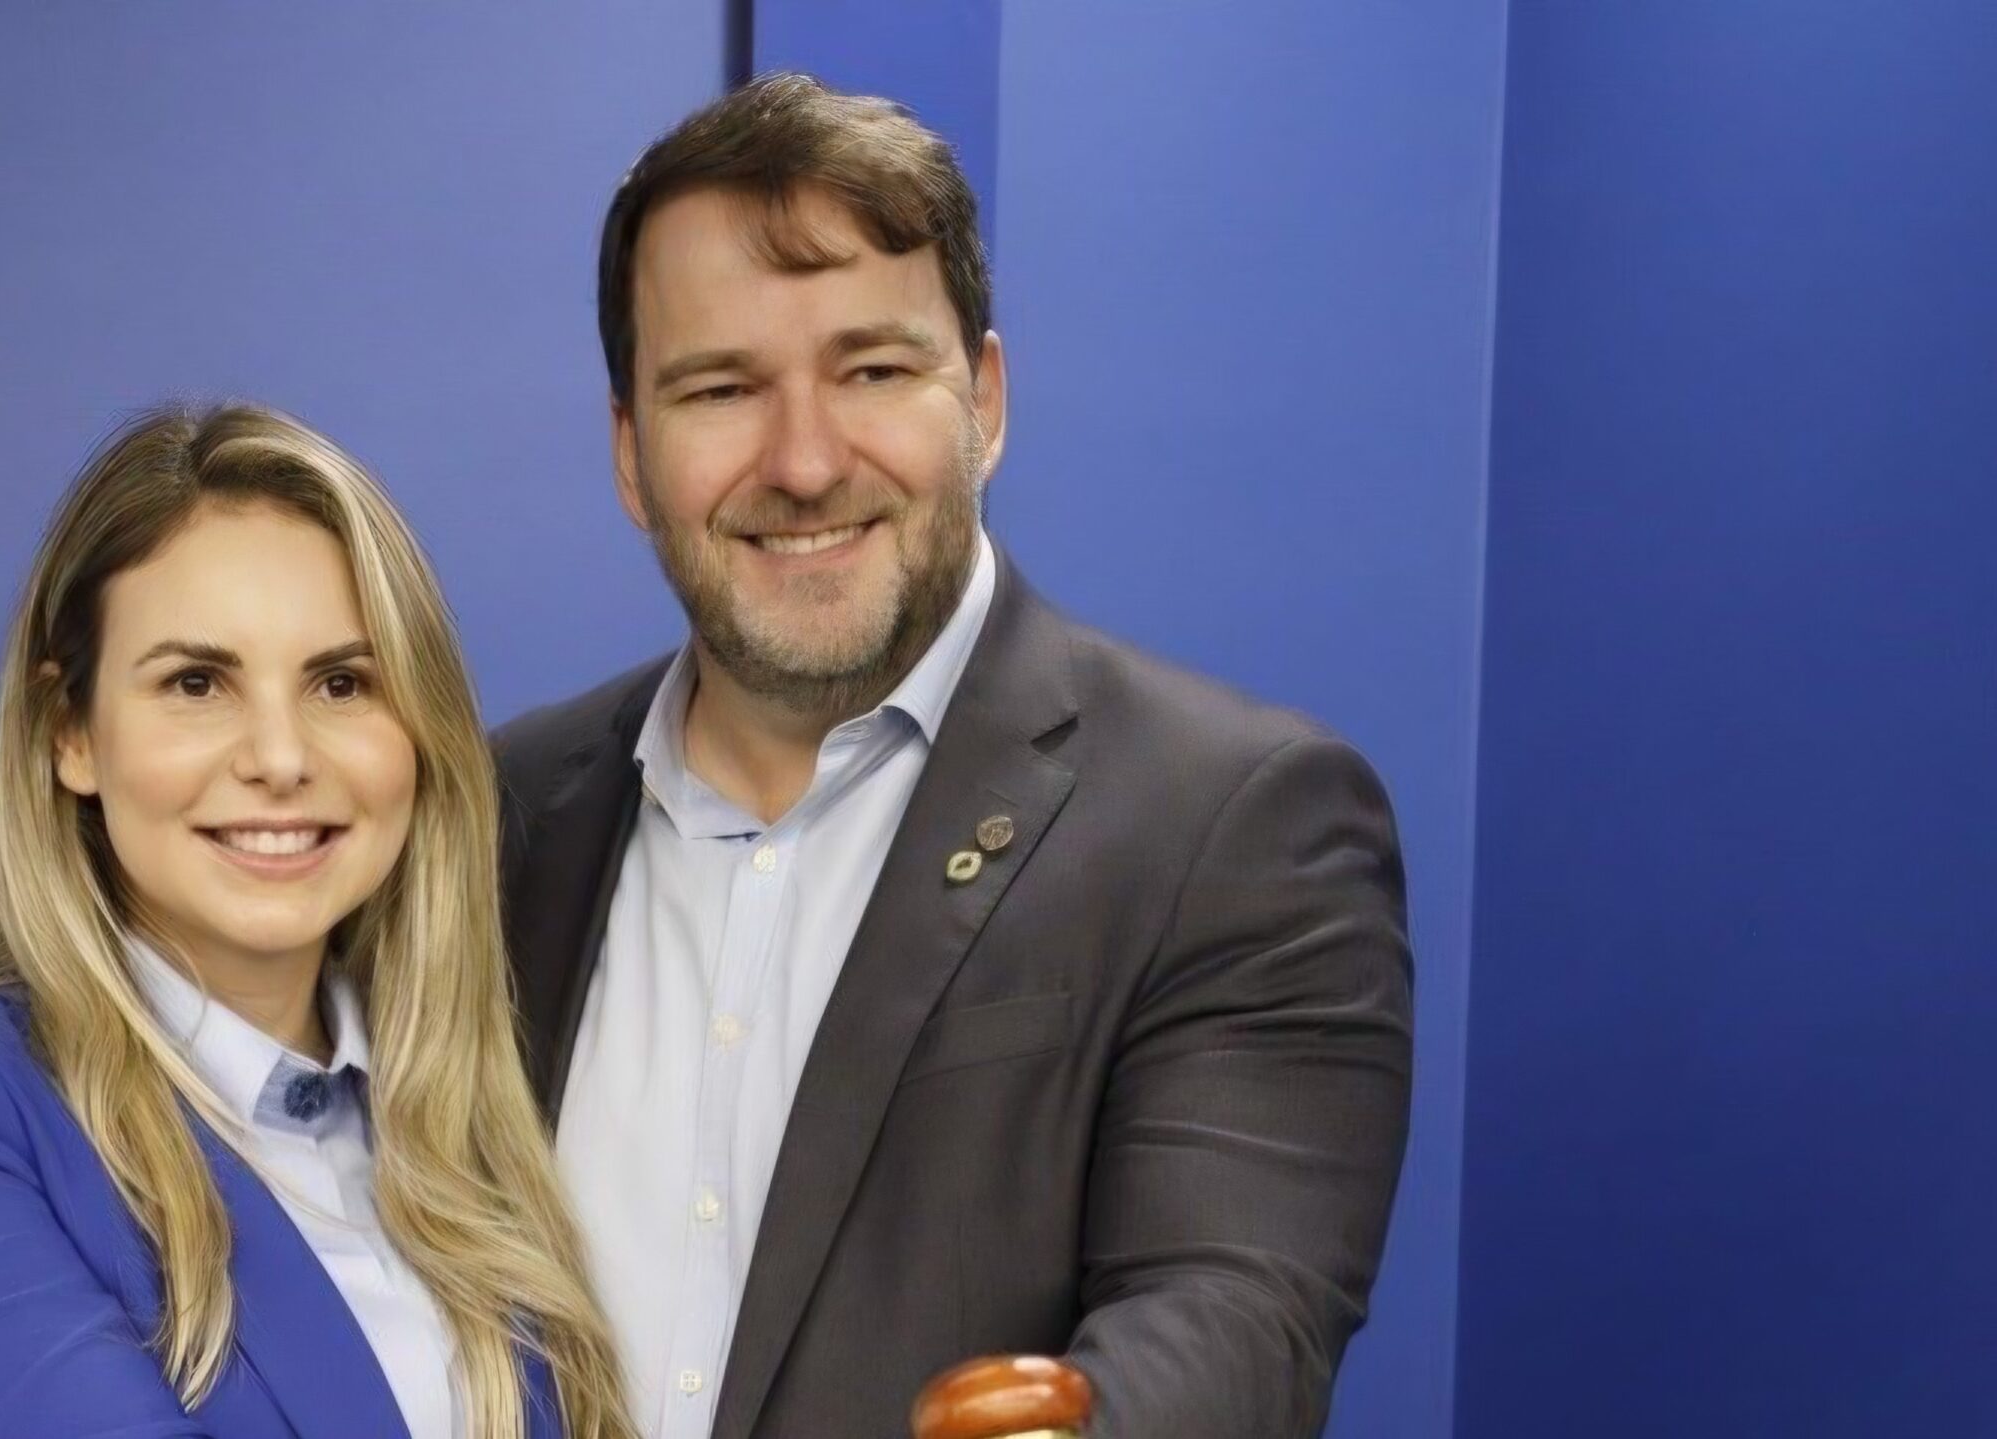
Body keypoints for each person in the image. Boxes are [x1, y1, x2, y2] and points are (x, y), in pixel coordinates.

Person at [495, 75, 1414, 1438]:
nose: (805, 461)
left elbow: (1232, 1319)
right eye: (721, 387)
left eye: (872, 370)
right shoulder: (496, 818)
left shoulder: (1233, 824)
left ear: (982, 396)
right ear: (631, 451)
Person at [0, 404, 632, 1439]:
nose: (280, 756)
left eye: (342, 682)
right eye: (196, 682)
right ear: (69, 732)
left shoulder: (476, 1127)